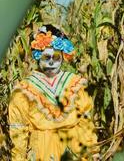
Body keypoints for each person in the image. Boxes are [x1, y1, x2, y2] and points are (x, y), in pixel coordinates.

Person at [9, 24, 99, 161]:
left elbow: (86, 124)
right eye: (46, 58)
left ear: (63, 57)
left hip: (73, 152)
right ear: (38, 56)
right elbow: (18, 130)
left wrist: (93, 153)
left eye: (56, 57)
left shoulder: (76, 84)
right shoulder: (24, 90)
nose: (51, 63)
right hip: (41, 153)